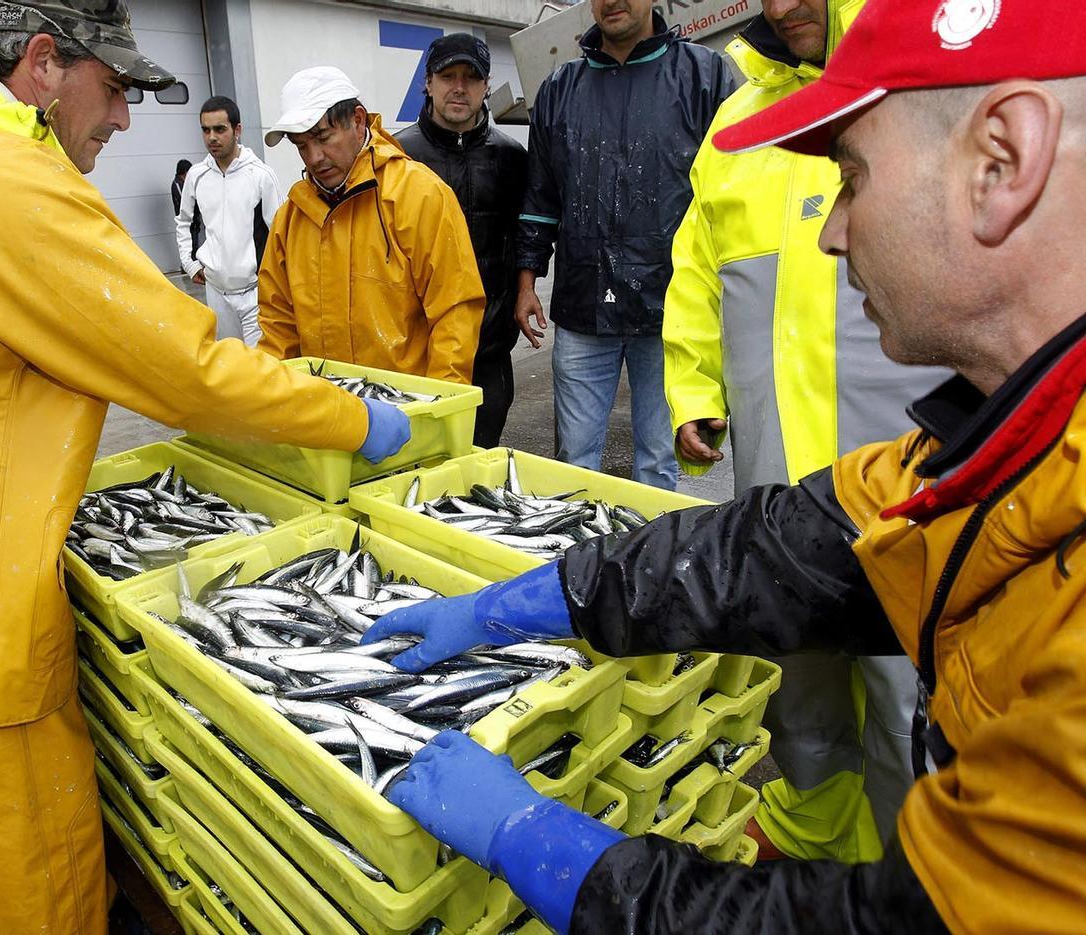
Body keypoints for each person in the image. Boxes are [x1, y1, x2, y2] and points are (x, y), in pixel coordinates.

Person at [363, 0, 1086, 929]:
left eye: (852, 178)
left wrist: (553, 852)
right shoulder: (1008, 448)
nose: (830, 233)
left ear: (1004, 159)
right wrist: (549, 595)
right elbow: (788, 549)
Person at [0, 3, 409, 931]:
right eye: (116, 88)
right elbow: (185, 371)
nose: (125, 120)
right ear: (45, 64)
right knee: (41, 900)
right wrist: (349, 419)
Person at [661, 0, 948, 864]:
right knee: (799, 665)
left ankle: (918, 859)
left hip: (902, 472)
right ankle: (814, 819)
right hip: (778, 469)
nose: (782, 7)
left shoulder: (914, 85)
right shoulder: (739, 121)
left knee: (907, 680)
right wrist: (690, 387)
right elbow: (697, 262)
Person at [515, 0, 734, 490]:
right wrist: (527, 280)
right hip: (581, 306)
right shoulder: (558, 89)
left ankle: (646, 563)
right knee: (573, 463)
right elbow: (540, 195)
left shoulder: (706, 76)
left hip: (672, 310)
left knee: (658, 464)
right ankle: (578, 564)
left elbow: (738, 193)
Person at [257, 66, 485, 385]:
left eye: (323, 137)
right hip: (323, 416)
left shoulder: (420, 196)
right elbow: (278, 329)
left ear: (358, 119)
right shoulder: (290, 220)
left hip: (407, 415)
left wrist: (440, 410)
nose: (314, 157)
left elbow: (455, 313)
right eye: (301, 145)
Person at [395, 33, 528, 447]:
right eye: (447, 75)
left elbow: (528, 236)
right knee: (411, 465)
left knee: (476, 466)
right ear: (428, 83)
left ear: (486, 86)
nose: (459, 87)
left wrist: (525, 290)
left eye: (471, 77)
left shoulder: (511, 158)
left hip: (487, 348)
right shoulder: (395, 157)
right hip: (413, 353)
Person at [176, 95, 282, 345]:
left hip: (254, 293)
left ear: (237, 130)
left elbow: (281, 233)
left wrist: (275, 284)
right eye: (206, 130)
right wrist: (190, 264)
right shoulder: (197, 175)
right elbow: (184, 222)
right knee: (231, 367)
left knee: (261, 367)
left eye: (220, 129)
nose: (212, 137)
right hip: (216, 294)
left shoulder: (261, 176)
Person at [171, 156, 202, 264]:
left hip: (194, 220)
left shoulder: (185, 183)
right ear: (184, 172)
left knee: (195, 244)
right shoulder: (177, 185)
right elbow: (186, 202)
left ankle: (194, 264)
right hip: (188, 221)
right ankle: (188, 266)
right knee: (189, 245)